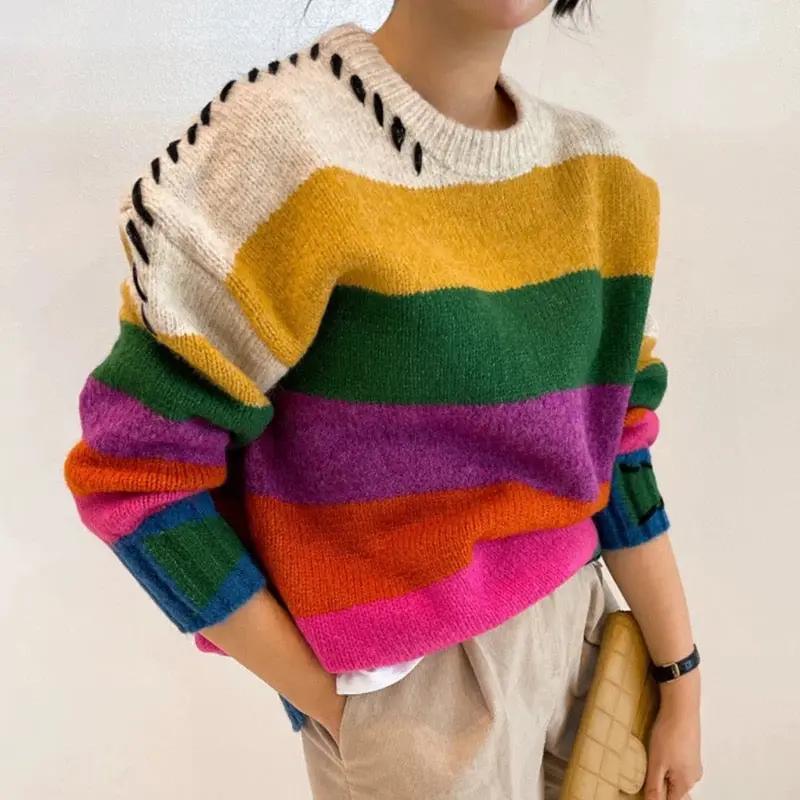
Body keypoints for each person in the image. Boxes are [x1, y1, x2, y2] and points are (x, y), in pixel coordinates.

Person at [63, 1, 703, 798]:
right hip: (418, 705)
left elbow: (617, 448)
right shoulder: (286, 144)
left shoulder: (600, 177)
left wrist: (680, 677)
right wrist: (341, 711)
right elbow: (135, 472)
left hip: (588, 647)